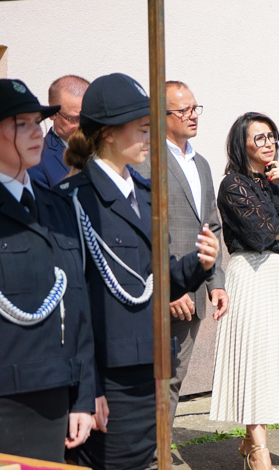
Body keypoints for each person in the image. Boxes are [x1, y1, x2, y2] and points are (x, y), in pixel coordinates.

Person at [60, 73, 220, 470]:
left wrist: (198, 266)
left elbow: (156, 275)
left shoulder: (145, 195)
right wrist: (86, 389)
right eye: (143, 129)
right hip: (107, 375)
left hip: (149, 365)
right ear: (109, 134)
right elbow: (74, 307)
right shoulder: (76, 200)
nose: (151, 138)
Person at [211, 112, 279, 470]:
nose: (269, 143)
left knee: (273, 361)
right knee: (254, 359)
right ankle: (259, 451)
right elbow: (264, 233)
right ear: (242, 145)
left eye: (272, 136)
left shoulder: (276, 181)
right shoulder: (233, 184)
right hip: (252, 277)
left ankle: (250, 438)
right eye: (260, 138)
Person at [0, 79, 95, 461]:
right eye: (20, 123)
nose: (35, 133)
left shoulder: (57, 205)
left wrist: (84, 397)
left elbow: (78, 307)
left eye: (37, 122)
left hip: (56, 395)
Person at [137, 80, 229, 430]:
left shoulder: (200, 163)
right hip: (159, 292)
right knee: (150, 382)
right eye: (184, 110)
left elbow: (211, 226)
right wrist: (169, 288)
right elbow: (144, 231)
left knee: (173, 382)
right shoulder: (147, 161)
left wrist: (214, 282)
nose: (193, 116)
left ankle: (158, 452)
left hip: (193, 295)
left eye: (195, 108)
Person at [28, 75, 89, 187]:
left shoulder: (106, 147)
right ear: (52, 114)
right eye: (73, 119)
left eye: (87, 116)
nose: (82, 124)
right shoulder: (37, 160)